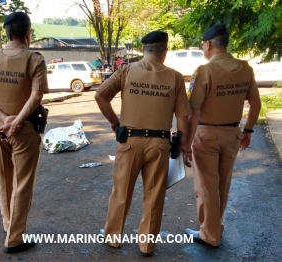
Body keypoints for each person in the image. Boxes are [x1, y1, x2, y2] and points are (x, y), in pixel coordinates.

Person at [95, 30, 191, 257]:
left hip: (129, 142)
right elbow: (183, 117)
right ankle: (147, 245)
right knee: (154, 195)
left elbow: (100, 95)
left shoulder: (126, 70)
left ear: (144, 50)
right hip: (160, 145)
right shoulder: (175, 77)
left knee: (121, 191)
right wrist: (182, 143)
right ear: (164, 52)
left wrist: (114, 122)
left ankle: (113, 238)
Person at [0, 12, 50, 253]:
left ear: (6, 32)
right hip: (24, 130)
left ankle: (9, 226)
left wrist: (2, 118)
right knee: (22, 184)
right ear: (28, 33)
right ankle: (15, 238)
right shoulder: (34, 59)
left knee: (5, 181)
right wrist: (16, 121)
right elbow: (36, 96)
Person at [185, 23, 261, 247]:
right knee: (222, 184)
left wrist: (186, 143)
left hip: (206, 134)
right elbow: (255, 103)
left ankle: (209, 235)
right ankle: (216, 227)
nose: (202, 49)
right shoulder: (245, 67)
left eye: (202, 45)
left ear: (208, 44)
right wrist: (247, 131)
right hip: (233, 135)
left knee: (206, 187)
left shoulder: (204, 71)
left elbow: (193, 110)